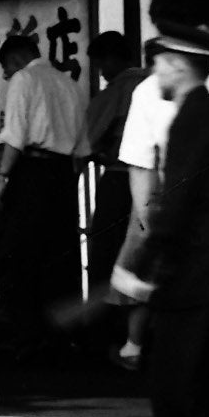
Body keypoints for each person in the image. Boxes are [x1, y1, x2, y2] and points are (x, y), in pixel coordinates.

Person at [113, 22, 209, 417]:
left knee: (177, 392)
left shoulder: (189, 122)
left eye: (159, 64)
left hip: (202, 278)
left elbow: (176, 204)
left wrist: (138, 265)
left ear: (178, 66)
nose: (155, 73)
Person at [0, 31, 85, 352]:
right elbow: (83, 148)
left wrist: (2, 179)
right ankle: (59, 338)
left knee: (18, 253)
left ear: (15, 60)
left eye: (5, 70)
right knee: (58, 257)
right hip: (63, 174)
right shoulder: (69, 83)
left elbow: (15, 136)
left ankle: (22, 334)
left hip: (30, 171)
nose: (5, 77)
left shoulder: (24, 79)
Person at [80, 31, 146, 359]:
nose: (101, 72)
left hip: (120, 181)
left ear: (111, 59)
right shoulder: (153, 84)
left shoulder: (118, 90)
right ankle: (139, 336)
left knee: (106, 258)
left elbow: (86, 141)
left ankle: (106, 336)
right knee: (143, 261)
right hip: (156, 187)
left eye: (101, 64)